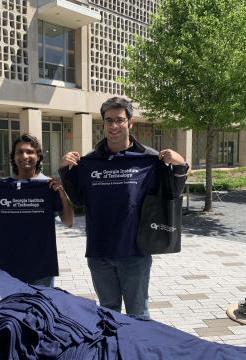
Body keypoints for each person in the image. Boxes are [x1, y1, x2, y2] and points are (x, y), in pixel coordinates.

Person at [60, 97, 188, 319]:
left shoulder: (148, 160)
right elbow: (79, 200)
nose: (114, 126)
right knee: (108, 315)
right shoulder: (91, 162)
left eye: (119, 120)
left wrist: (180, 167)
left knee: (138, 315)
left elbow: (171, 195)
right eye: (109, 121)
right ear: (103, 124)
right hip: (99, 254)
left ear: (130, 123)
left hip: (135, 254)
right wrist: (66, 172)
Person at [0, 133, 73, 287]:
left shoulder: (49, 186)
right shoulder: (1, 187)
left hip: (42, 267)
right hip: (9, 266)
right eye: (19, 152)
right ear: (13, 157)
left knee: (41, 309)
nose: (24, 156)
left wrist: (62, 194)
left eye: (30, 152)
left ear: (38, 156)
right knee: (13, 310)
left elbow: (68, 222)